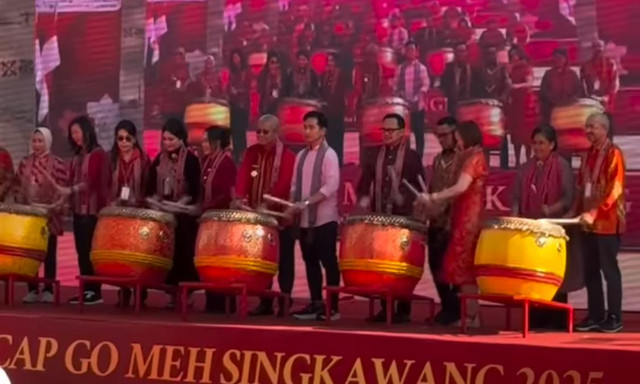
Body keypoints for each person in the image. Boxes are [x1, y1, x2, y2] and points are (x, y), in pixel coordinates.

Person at [417, 121, 488, 327]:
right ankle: (469, 315)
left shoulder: (472, 157)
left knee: (465, 268)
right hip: (461, 215)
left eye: (456, 137)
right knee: (459, 268)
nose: (455, 141)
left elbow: (460, 187)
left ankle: (469, 316)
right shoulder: (465, 157)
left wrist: (434, 197)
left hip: (467, 218)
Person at [356, 113, 425, 323]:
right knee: (381, 263)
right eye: (384, 130)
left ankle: (403, 310)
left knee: (401, 264)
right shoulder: (374, 154)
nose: (386, 134)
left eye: (391, 130)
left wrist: (402, 197)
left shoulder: (412, 157)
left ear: (402, 132)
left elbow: (421, 190)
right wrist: (364, 198)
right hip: (381, 218)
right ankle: (385, 308)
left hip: (403, 221)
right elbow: (364, 183)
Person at [511, 125, 578, 329]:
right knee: (533, 276)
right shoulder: (525, 167)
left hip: (554, 230)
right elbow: (516, 198)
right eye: (534, 143)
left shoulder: (562, 166)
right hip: (530, 231)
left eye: (542, 143)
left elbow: (568, 198)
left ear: (552, 145)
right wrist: (515, 217)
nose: (537, 147)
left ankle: (557, 321)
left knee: (554, 277)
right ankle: (535, 319)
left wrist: (551, 210)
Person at [234, 114, 296, 316]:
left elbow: (284, 185)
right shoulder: (251, 153)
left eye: (265, 131)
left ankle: (285, 300)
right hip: (256, 218)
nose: (259, 135)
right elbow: (243, 177)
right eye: (257, 131)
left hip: (279, 218)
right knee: (261, 260)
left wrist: (266, 203)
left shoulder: (288, 157)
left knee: (285, 260)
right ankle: (265, 300)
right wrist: (240, 198)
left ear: (277, 133)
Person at [285, 111, 341, 321]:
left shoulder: (329, 155)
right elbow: (293, 185)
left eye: (311, 127)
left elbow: (331, 186)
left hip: (324, 219)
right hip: (305, 221)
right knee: (310, 261)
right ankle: (316, 303)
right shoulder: (301, 156)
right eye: (305, 127)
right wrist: (292, 203)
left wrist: (306, 202)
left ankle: (333, 307)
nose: (306, 131)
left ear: (323, 131)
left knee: (328, 262)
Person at [573, 113, 626, 333]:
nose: (588, 131)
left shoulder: (614, 154)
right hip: (587, 223)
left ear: (605, 129)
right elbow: (580, 188)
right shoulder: (587, 155)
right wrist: (574, 213)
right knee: (590, 271)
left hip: (607, 223)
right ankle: (595, 315)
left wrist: (595, 212)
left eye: (593, 127)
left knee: (609, 271)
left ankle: (614, 317)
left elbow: (615, 190)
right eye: (587, 127)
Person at [146, 118, 202, 308]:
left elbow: (193, 191)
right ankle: (171, 294)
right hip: (164, 218)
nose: (167, 143)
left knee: (183, 255)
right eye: (164, 139)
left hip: (183, 217)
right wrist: (155, 203)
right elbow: (150, 188)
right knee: (166, 256)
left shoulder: (192, 160)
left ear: (181, 139)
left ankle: (186, 294)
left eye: (171, 139)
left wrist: (177, 206)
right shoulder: (158, 160)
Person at [13, 128, 67, 304]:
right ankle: (32, 288)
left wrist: (53, 206)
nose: (37, 144)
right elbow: (16, 185)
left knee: (49, 252)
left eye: (40, 141)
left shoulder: (57, 163)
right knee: (30, 252)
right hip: (29, 215)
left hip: (48, 214)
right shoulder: (24, 162)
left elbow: (63, 188)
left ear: (48, 142)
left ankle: (49, 289)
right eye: (34, 141)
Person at [60, 116, 110, 305]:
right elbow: (70, 181)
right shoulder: (77, 157)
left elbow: (92, 182)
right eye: (72, 133)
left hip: (94, 211)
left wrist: (71, 189)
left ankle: (95, 291)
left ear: (87, 131)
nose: (75, 137)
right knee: (81, 251)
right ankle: (87, 289)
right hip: (78, 210)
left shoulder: (98, 154)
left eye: (77, 132)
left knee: (91, 252)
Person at [108, 120, 151, 306]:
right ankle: (123, 289)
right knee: (120, 253)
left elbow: (149, 185)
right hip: (119, 213)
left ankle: (140, 290)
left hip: (139, 212)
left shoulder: (143, 159)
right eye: (120, 139)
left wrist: (139, 201)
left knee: (138, 252)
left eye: (127, 138)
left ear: (134, 140)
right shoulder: (112, 159)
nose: (123, 143)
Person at [424, 117, 461, 326]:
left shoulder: (463, 158)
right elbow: (432, 189)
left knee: (452, 268)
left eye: (445, 135)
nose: (441, 139)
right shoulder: (438, 159)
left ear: (455, 134)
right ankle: (446, 307)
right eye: (438, 135)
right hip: (436, 221)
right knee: (435, 265)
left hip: (454, 222)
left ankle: (455, 310)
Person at [200, 126, 237, 313]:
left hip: (221, 222)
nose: (203, 144)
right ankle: (212, 300)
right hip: (208, 222)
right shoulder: (207, 161)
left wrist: (204, 208)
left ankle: (225, 304)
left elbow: (226, 195)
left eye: (206, 141)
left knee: (221, 263)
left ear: (216, 143)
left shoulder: (226, 163)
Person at [394, 40, 430, 158]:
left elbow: (426, 84)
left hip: (418, 106)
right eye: (408, 50)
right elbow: (395, 84)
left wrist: (419, 94)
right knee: (405, 134)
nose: (410, 52)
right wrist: (400, 92)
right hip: (404, 107)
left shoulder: (422, 68)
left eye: (412, 50)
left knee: (419, 133)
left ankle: (419, 157)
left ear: (416, 52)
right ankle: (406, 156)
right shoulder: (400, 68)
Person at [507, 45, 536, 167]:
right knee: (515, 133)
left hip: (526, 103)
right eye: (511, 55)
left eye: (514, 54)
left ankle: (529, 159)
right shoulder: (510, 69)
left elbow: (529, 82)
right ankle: (517, 161)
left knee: (527, 134)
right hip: (514, 103)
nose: (513, 57)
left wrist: (515, 87)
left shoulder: (526, 67)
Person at [539, 48, 583, 124]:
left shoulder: (572, 74)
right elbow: (544, 91)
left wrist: (571, 100)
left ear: (565, 59)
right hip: (553, 109)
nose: (557, 60)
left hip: (569, 109)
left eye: (560, 58)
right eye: (555, 57)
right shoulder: (548, 74)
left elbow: (579, 90)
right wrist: (554, 101)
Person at [320, 52, 349, 166]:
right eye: (329, 61)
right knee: (328, 137)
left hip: (338, 111)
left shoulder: (342, 75)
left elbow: (346, 92)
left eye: (332, 61)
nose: (330, 63)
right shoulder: (324, 76)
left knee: (337, 138)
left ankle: (339, 161)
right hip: (327, 112)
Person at [224, 49, 251, 162]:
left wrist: (239, 92)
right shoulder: (231, 74)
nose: (236, 60)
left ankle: (242, 153)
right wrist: (231, 92)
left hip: (243, 106)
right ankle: (235, 153)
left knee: (241, 130)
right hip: (233, 105)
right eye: (234, 58)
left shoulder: (247, 73)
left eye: (237, 57)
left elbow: (249, 88)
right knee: (234, 130)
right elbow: (228, 88)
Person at [580, 40, 619, 112]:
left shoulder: (610, 64)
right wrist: (587, 97)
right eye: (595, 48)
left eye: (599, 48)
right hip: (591, 100)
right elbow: (582, 83)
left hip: (606, 98)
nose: (597, 51)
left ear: (603, 49)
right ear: (592, 50)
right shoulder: (586, 65)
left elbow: (614, 82)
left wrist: (608, 97)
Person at [441, 43, 472, 115]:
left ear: (467, 53)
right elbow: (444, 87)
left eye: (463, 51)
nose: (461, 54)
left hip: (470, 106)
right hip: (453, 107)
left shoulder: (473, 69)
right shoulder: (448, 69)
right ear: (455, 53)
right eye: (459, 51)